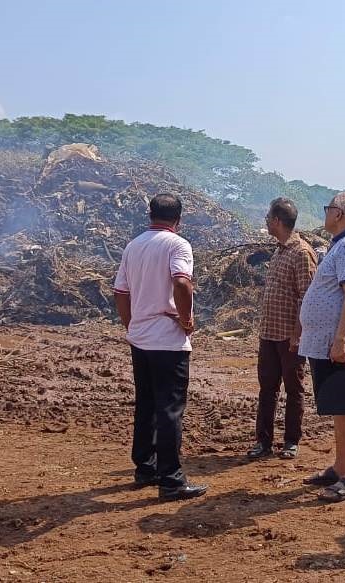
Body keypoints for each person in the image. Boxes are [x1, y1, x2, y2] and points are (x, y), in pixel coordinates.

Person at [113, 193, 207, 501]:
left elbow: (121, 292)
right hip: (167, 339)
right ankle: (170, 480)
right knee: (169, 410)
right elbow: (181, 283)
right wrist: (187, 318)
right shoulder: (178, 245)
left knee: (147, 404)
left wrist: (131, 324)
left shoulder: (134, 246)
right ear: (178, 219)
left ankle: (145, 467)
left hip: (140, 338)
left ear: (150, 215)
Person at [298, 192, 345, 503]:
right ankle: (340, 468)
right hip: (326, 341)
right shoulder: (342, 244)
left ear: (339, 214)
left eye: (328, 208)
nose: (325, 214)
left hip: (338, 341)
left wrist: (341, 339)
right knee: (339, 410)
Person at [248, 198, 318, 460]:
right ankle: (263, 442)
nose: (266, 220)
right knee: (267, 389)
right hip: (269, 333)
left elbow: (307, 298)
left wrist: (298, 334)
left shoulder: (302, 253)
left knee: (294, 389)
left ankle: (291, 441)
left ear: (277, 221)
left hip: (290, 337)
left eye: (268, 217)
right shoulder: (279, 250)